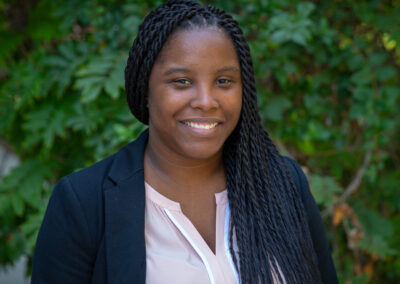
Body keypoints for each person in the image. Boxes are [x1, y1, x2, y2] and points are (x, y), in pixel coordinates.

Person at [31, 0, 338, 283]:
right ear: (145, 90)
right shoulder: (85, 203)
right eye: (182, 81)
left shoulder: (282, 184)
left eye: (223, 81)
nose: (206, 101)